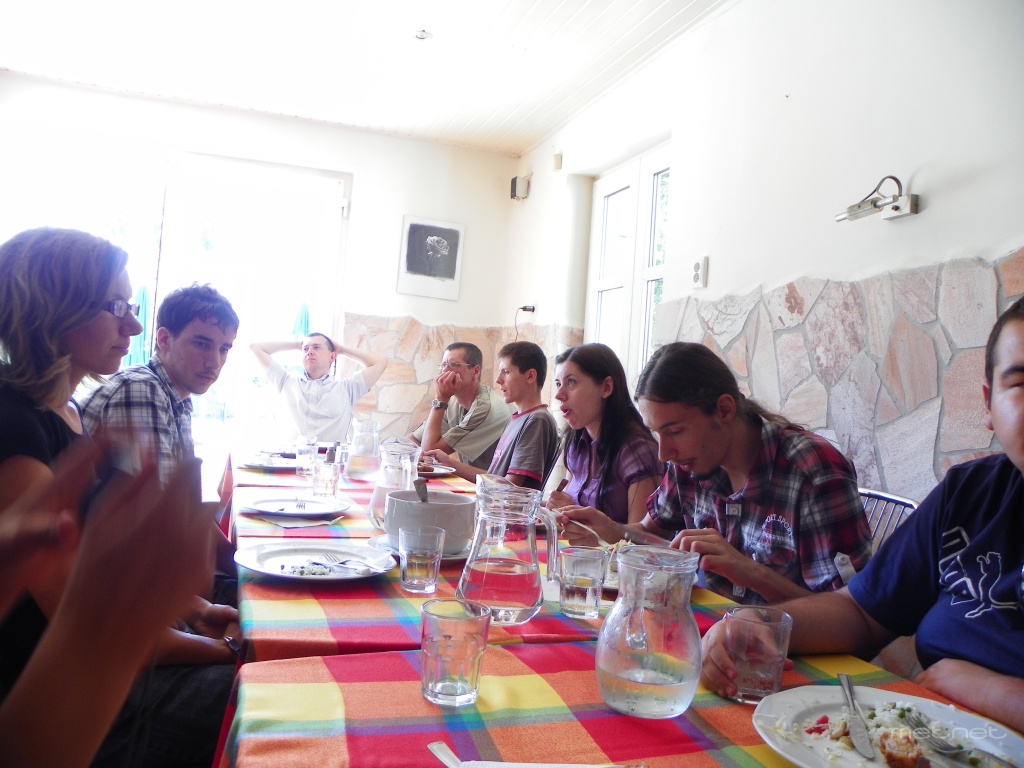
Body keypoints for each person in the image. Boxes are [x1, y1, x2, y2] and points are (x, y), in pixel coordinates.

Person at [701, 297, 1024, 732]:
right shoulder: (970, 495)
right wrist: (760, 623)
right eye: (1022, 382)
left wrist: (994, 693)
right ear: (988, 403)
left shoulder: (807, 464)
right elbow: (862, 613)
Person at [0, 227, 238, 768]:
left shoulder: (66, 412)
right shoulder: (14, 429)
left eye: (131, 308)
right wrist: (225, 649)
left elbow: (110, 563)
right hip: (61, 704)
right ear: (51, 309)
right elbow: (86, 619)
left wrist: (199, 610)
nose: (132, 325)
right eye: (115, 307)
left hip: (104, 663)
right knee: (269, 697)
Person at [557, 342, 871, 605]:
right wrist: (611, 530)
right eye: (657, 433)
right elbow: (651, 535)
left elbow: (851, 616)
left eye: (674, 431)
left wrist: (750, 572)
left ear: (724, 410)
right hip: (709, 634)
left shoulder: (813, 473)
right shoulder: (687, 464)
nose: (664, 453)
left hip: (789, 650)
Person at [0, 442, 216, 768]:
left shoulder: (53, 426)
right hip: (74, 710)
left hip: (83, 690)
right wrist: (105, 638)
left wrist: (192, 609)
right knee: (254, 695)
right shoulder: (20, 439)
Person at [80, 283, 239, 485]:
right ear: (164, 340)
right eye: (202, 344)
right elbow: (151, 500)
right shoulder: (140, 389)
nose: (214, 362)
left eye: (224, 349)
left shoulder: (177, 399)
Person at [545, 343, 662, 525]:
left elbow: (638, 538)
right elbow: (568, 503)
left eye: (571, 382)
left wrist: (576, 516)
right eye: (558, 384)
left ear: (606, 387)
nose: (559, 395)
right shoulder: (576, 441)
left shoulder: (638, 450)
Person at [425, 341, 558, 491]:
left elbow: (510, 487)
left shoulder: (537, 420)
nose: (498, 380)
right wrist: (449, 463)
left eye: (506, 372)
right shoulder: (516, 418)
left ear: (530, 376)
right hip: (490, 498)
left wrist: (451, 464)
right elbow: (494, 477)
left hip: (502, 505)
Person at [250, 332, 388, 442]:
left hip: (330, 463)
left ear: (332, 357)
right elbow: (256, 347)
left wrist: (341, 349)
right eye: (305, 349)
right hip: (290, 461)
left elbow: (380, 363)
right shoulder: (285, 381)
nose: (309, 351)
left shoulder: (347, 389)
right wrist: (296, 345)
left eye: (316, 347)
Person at [407, 342, 511, 469]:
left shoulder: (485, 407)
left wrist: (440, 399)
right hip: (473, 479)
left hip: (494, 480)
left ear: (475, 371)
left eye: (454, 365)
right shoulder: (452, 401)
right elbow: (412, 439)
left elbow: (429, 452)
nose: (445, 370)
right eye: (443, 365)